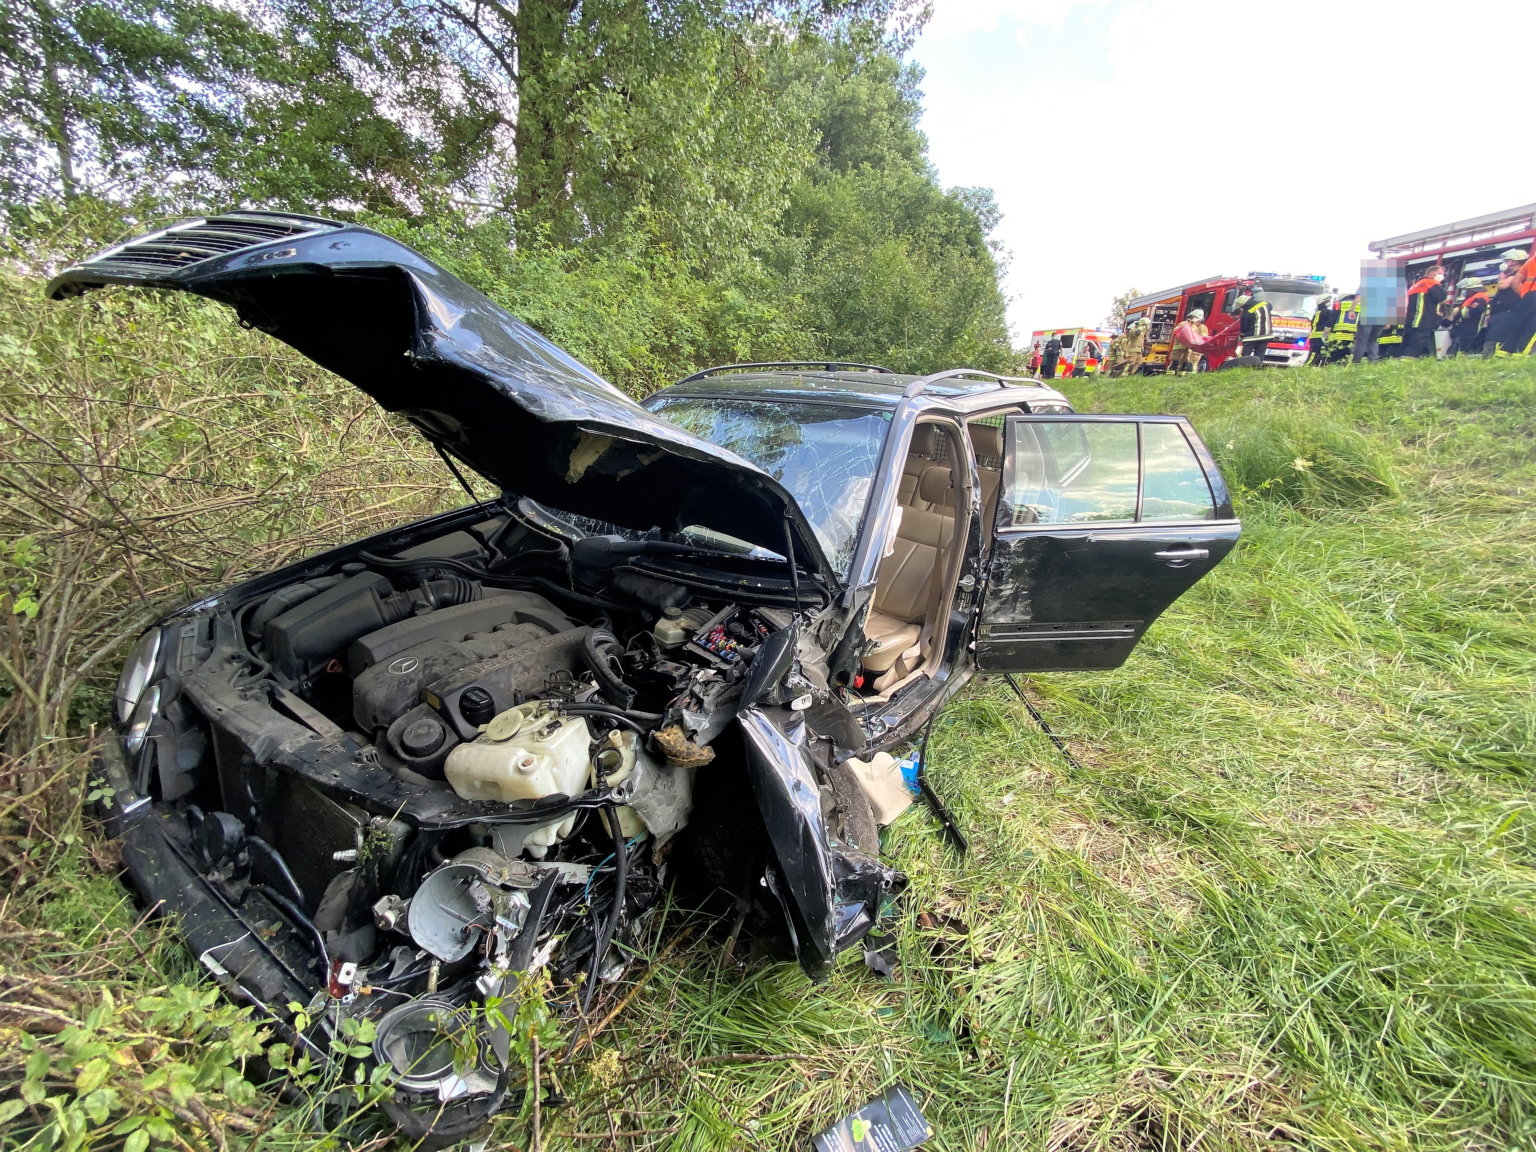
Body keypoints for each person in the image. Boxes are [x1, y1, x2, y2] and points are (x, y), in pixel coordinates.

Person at [1483, 250, 1528, 356]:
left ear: (1514, 262)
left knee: (1496, 336)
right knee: (1493, 334)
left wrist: (1500, 278)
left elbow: (1503, 285)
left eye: (1507, 260)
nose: (1505, 263)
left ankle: (1491, 356)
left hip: (1507, 312)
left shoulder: (1518, 274)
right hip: (1501, 312)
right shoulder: (1512, 274)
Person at [1402, 267, 1447, 358]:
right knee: (1417, 343)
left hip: (1412, 319)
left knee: (1408, 342)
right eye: (1440, 273)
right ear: (1431, 273)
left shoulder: (1415, 285)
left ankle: (1403, 359)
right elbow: (1442, 297)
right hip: (1424, 319)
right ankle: (1408, 359)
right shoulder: (1430, 282)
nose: (1442, 276)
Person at [1449, 279, 1489, 356]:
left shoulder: (1480, 298)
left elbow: (1473, 312)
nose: (1466, 291)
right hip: (1463, 328)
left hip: (1470, 329)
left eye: (1467, 289)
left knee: (1460, 350)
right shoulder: (1473, 297)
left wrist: (1458, 311)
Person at [1233, 285, 1273, 363]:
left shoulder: (1246, 312)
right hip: (1267, 335)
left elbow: (1244, 328)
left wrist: (1242, 336)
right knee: (1260, 354)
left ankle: (1244, 368)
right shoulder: (1266, 303)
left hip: (1252, 337)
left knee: (1246, 354)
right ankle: (1257, 368)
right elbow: (1270, 307)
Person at [1170, 309, 1211, 374]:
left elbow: (1203, 338)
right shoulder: (1184, 324)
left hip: (1195, 351)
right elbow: (1176, 331)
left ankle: (1188, 376)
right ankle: (1172, 376)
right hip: (1181, 350)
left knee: (1191, 365)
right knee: (1176, 364)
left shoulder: (1202, 327)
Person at [1325, 294, 1360, 364]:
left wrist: (1327, 329)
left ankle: (1332, 366)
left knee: (1334, 355)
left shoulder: (1339, 303)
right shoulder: (1358, 305)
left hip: (1337, 333)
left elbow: (1333, 316)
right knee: (1346, 354)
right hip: (1351, 334)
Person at [1307, 295, 1338, 365]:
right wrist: (1325, 336)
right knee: (1319, 355)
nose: (1329, 302)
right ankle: (1315, 366)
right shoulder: (1326, 312)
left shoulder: (1317, 312)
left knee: (1314, 354)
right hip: (1320, 337)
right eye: (1327, 301)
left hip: (1313, 337)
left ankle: (1313, 366)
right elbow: (1329, 324)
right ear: (1322, 302)